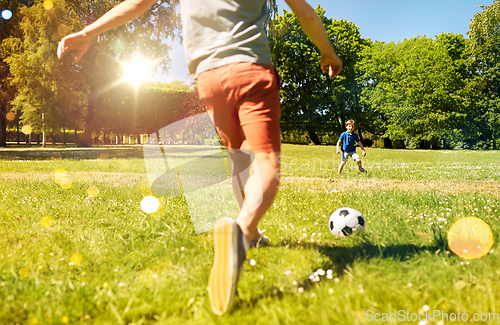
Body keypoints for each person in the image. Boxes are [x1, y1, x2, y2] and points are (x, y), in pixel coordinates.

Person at [57, 0, 342, 315]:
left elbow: (136, 5)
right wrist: (328, 52)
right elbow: (305, 12)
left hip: (208, 79)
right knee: (266, 163)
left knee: (239, 157)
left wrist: (88, 31)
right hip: (249, 69)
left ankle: (255, 235)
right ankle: (242, 231)